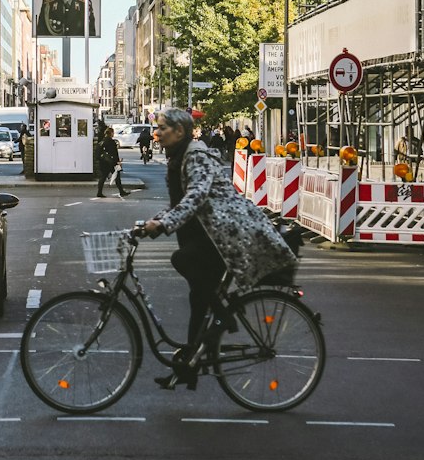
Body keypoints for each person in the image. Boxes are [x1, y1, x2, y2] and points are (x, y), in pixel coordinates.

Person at [142, 106, 296, 390]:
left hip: (222, 237)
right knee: (198, 301)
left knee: (182, 261)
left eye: (163, 127)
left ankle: (224, 315)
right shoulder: (178, 157)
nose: (157, 132)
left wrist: (163, 225)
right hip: (203, 236)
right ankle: (188, 366)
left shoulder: (196, 156)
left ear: (179, 132)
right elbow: (180, 203)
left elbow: (197, 196)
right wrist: (154, 221)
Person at [95, 126, 128, 198]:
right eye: (113, 133)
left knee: (103, 177)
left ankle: (99, 192)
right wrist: (118, 162)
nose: (113, 134)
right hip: (111, 162)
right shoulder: (111, 142)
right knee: (117, 176)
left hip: (103, 161)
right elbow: (114, 153)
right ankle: (121, 191)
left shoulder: (102, 141)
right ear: (111, 133)